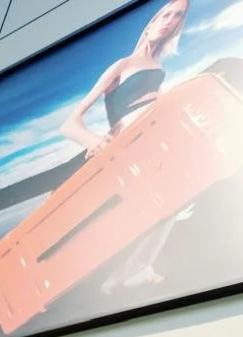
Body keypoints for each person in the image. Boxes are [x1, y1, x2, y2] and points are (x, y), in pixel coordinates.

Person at [59, 0, 191, 293]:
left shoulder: (157, 68)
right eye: (166, 14)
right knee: (149, 207)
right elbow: (69, 123)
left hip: (154, 145)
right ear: (152, 22)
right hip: (125, 149)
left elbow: (154, 107)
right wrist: (95, 141)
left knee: (169, 203)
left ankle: (128, 273)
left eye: (178, 17)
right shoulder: (122, 65)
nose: (170, 21)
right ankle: (118, 277)